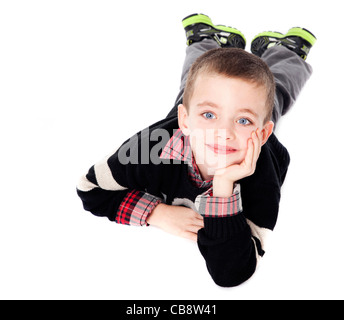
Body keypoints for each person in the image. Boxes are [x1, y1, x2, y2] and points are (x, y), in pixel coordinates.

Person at [77, 13, 316, 287]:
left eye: (243, 121)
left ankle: (287, 51)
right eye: (209, 116)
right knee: (195, 78)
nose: (223, 133)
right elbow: (89, 188)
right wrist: (156, 213)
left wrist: (224, 186)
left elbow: (233, 272)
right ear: (185, 121)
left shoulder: (262, 180)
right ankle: (204, 40)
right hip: (179, 120)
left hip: (251, 126)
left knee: (275, 90)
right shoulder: (151, 147)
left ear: (262, 134)